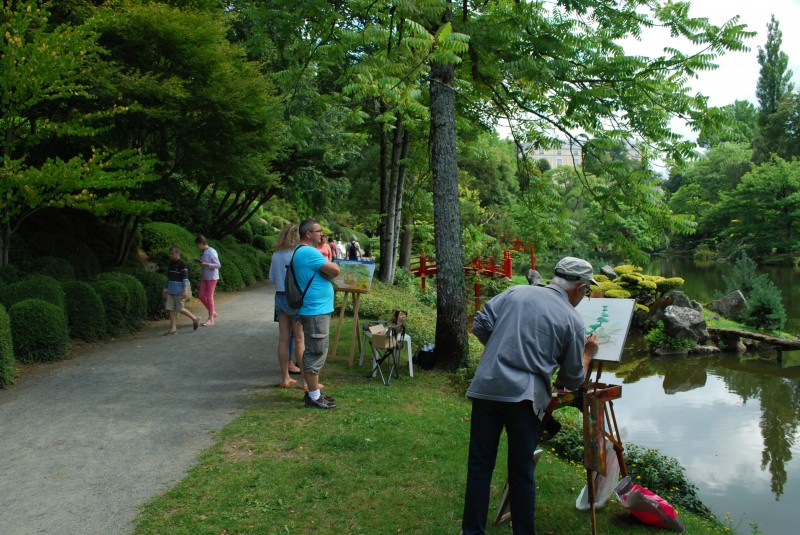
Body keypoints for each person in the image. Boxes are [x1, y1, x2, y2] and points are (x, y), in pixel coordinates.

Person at [461, 256, 600, 535]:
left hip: (487, 386)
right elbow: (572, 380)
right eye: (586, 292)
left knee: (479, 464)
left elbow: (481, 323)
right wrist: (587, 354)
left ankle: (472, 532)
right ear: (580, 287)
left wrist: (502, 347)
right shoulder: (573, 319)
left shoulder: (516, 292)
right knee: (521, 471)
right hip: (523, 398)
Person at [293, 219, 340, 409]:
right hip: (314, 309)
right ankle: (313, 396)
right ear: (308, 234)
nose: (322, 234)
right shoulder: (308, 252)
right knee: (316, 350)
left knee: (316, 349)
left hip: (316, 308)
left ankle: (314, 393)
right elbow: (335, 270)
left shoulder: (302, 252)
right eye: (318, 231)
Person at [269, 224, 306, 388]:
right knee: (300, 339)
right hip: (295, 298)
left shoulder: (276, 254)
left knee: (283, 339)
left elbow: (271, 278)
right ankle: (306, 380)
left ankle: (285, 378)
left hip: (280, 297)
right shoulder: (298, 253)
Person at [162, 246, 200, 334]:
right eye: (170, 254)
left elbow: (185, 279)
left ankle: (195, 319)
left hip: (178, 290)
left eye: (172, 254)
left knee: (179, 309)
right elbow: (169, 277)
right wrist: (165, 288)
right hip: (171, 290)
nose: (170, 255)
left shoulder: (182, 264)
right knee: (170, 309)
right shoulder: (171, 264)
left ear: (177, 253)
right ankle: (173, 328)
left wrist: (185, 290)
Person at [195, 235, 221, 326]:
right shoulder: (204, 251)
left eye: (198, 245)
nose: (198, 247)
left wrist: (206, 264)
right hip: (205, 277)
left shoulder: (212, 252)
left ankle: (211, 319)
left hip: (212, 277)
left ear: (202, 243)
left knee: (209, 297)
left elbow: (218, 265)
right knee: (201, 296)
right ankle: (212, 311)